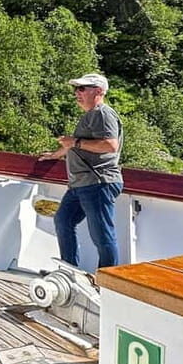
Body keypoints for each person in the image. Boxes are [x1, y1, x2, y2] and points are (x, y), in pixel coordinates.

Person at [39, 73, 124, 268]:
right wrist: (57, 154)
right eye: (76, 89)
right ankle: (69, 272)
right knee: (63, 221)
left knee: (102, 235)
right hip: (81, 184)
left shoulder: (102, 113)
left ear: (99, 91)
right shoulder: (91, 115)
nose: (77, 93)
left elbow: (110, 145)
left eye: (82, 88)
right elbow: (76, 146)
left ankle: (108, 283)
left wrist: (75, 141)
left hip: (98, 182)